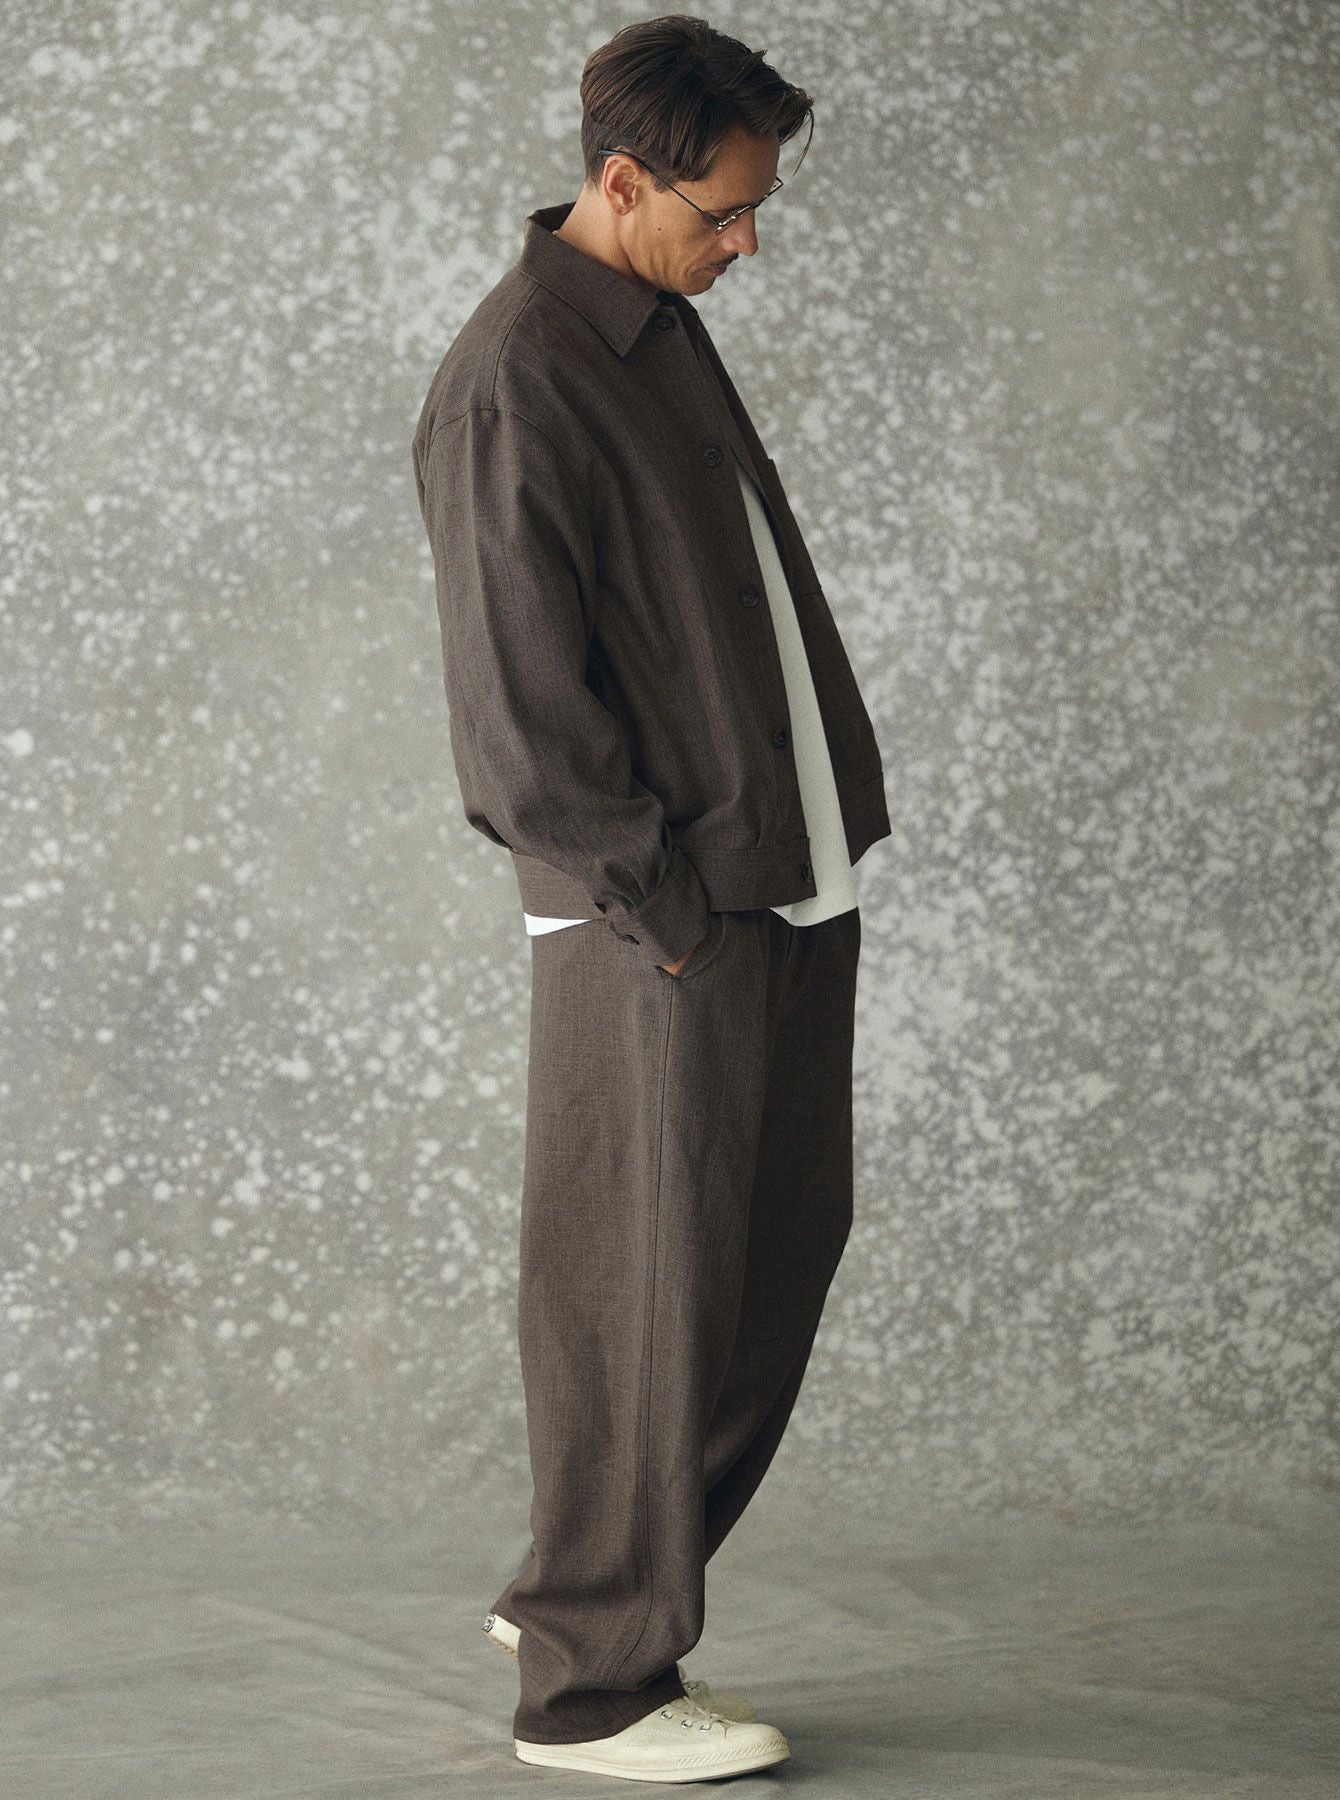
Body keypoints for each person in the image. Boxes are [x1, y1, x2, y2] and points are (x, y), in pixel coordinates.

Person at [409, 13, 891, 1783]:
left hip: (781, 876)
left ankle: (584, 1584)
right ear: (623, 182)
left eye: (758, 208)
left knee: (770, 1259)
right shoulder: (515, 378)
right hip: (662, 915)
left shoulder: (655, 324)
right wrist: (665, 909)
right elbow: (520, 724)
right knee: (645, 1296)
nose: (747, 241)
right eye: (721, 211)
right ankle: (593, 1691)